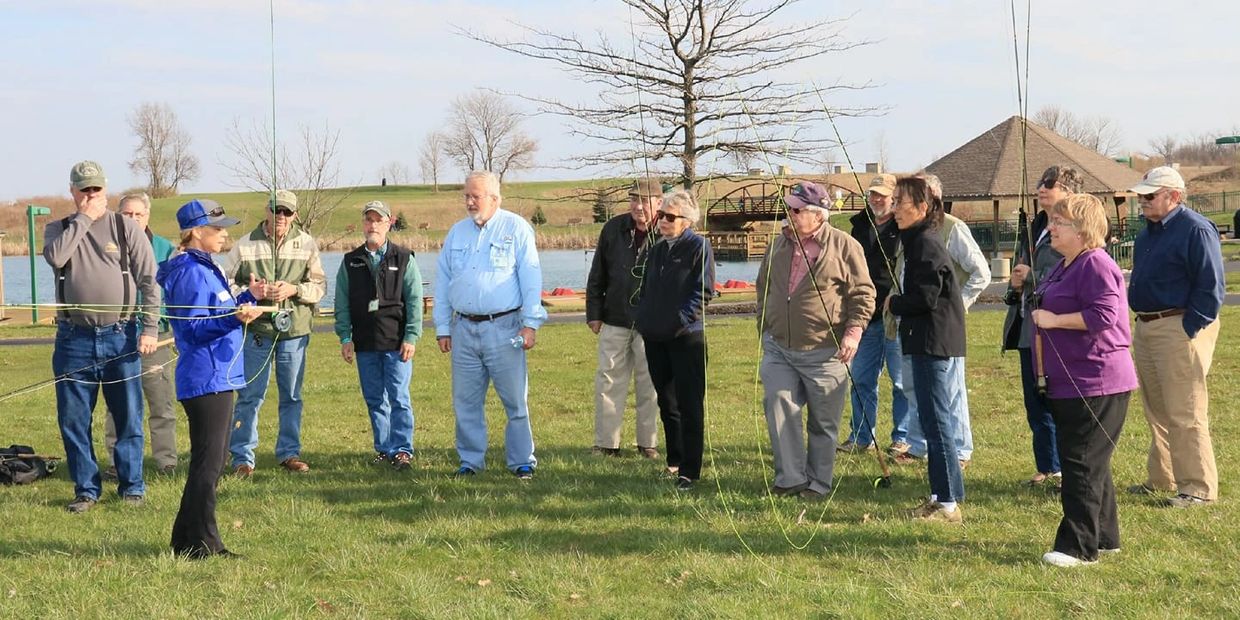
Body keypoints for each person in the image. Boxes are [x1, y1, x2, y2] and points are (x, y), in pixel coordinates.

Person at [43, 161, 160, 513]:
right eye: (84, 189)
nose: (91, 195)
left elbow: (149, 282)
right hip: (72, 339)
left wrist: (150, 329)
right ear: (73, 191)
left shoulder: (126, 228)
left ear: (105, 189)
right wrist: (82, 220)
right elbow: (56, 257)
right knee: (74, 419)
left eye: (96, 189)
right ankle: (86, 490)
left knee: (127, 415)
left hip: (120, 335)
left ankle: (132, 487)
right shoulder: (58, 229)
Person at [1029, 193, 1137, 567]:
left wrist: (1055, 321)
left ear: (1082, 229)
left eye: (1060, 222)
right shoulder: (1066, 264)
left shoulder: (1096, 263)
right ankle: (1105, 538)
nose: (1052, 227)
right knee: (1093, 461)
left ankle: (1077, 547)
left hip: (1096, 380)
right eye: (1053, 220)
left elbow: (1105, 315)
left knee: (1080, 462)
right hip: (1072, 379)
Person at [159, 199, 264, 559]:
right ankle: (204, 543)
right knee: (209, 463)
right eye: (217, 229)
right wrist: (238, 319)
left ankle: (185, 540)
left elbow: (220, 309)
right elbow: (193, 330)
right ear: (196, 232)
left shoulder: (207, 267)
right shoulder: (189, 272)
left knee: (212, 461)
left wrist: (251, 297)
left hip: (219, 374)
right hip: (206, 377)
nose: (224, 234)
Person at [757, 182, 874, 500]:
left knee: (823, 423)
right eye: (789, 209)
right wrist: (765, 330)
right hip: (779, 347)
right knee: (779, 406)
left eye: (796, 210)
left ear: (817, 215)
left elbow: (863, 294)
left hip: (827, 352)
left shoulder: (846, 246)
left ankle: (819, 484)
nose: (789, 215)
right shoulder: (777, 245)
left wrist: (853, 334)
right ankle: (790, 478)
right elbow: (763, 289)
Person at [434, 171, 546, 479]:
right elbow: (443, 282)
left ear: (494, 198)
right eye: (466, 196)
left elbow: (531, 278)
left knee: (515, 400)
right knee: (466, 402)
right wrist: (443, 327)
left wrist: (530, 323)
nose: (469, 202)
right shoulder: (457, 233)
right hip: (463, 330)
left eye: (476, 196)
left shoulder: (517, 229)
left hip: (506, 327)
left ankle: (522, 461)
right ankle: (470, 461)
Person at [1126, 166, 1224, 508]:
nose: (1143, 202)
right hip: (1147, 326)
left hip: (1178, 326)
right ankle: (1162, 477)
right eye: (1141, 196)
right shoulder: (1146, 234)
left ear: (1174, 197)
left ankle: (1197, 488)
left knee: (1186, 409)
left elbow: (1211, 288)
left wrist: (1189, 328)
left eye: (1150, 196)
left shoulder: (1195, 229)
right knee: (1157, 409)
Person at [219, 189, 327, 477]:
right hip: (256, 332)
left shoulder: (307, 244)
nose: (281, 216)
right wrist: (249, 293)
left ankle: (289, 453)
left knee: (291, 395)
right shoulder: (244, 246)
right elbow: (223, 287)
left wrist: (295, 289)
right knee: (250, 396)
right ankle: (242, 457)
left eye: (287, 212)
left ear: (295, 215)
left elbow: (319, 287)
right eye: (276, 210)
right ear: (266, 210)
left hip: (295, 332)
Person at [892, 174, 989, 468]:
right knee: (914, 388)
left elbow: (981, 273)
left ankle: (959, 452)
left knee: (950, 394)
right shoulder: (910, 234)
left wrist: (957, 306)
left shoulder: (949, 230)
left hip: (940, 331)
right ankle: (920, 445)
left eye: (902, 200)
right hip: (913, 327)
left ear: (928, 202)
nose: (895, 207)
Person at [885, 176, 967, 522]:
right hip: (926, 340)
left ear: (922, 208)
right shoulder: (917, 240)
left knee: (937, 422)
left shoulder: (926, 244)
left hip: (934, 342)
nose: (894, 209)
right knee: (934, 420)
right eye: (893, 201)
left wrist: (895, 303)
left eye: (900, 203)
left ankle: (947, 504)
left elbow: (926, 298)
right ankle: (943, 494)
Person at [1002, 166, 1081, 488]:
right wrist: (1016, 285)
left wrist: (1030, 277)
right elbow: (1021, 276)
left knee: (1059, 400)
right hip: (1028, 327)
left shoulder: (1078, 228)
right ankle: (1047, 466)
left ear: (1070, 191)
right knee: (1035, 400)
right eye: (1040, 182)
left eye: (1050, 184)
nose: (1042, 188)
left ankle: (1068, 469)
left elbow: (1068, 274)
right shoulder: (1036, 226)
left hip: (1059, 329)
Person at [634, 190, 715, 491]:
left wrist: (679, 321)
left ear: (687, 220)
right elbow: (645, 289)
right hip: (655, 337)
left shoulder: (699, 247)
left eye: (670, 217)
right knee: (667, 402)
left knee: (689, 403)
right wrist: (643, 319)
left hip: (686, 339)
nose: (663, 221)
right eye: (661, 216)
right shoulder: (657, 250)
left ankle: (690, 471)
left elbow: (703, 291)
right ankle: (675, 460)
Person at [334, 201, 423, 470]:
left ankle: (402, 450)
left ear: (388, 223)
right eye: (368, 220)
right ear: (363, 224)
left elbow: (415, 300)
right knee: (374, 398)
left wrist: (411, 336)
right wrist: (345, 338)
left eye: (378, 220)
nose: (373, 225)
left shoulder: (404, 257)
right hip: (364, 342)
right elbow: (342, 302)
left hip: (396, 342)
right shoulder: (351, 261)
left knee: (398, 397)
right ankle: (384, 448)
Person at [585, 177, 662, 459]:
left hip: (653, 324)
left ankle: (648, 443)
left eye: (644, 200)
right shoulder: (613, 229)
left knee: (650, 384)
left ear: (659, 203)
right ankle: (607, 443)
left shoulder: (666, 230)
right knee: (608, 381)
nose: (638, 206)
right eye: (633, 199)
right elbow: (597, 274)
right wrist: (593, 312)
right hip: (615, 319)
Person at [103, 192, 178, 479]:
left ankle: (166, 461)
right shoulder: (106, 247)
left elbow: (171, 295)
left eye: (138, 214)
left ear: (147, 216)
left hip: (155, 338)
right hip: (117, 337)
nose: (132, 219)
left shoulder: (165, 249)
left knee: (161, 402)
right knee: (117, 404)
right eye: (127, 214)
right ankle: (115, 461)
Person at [841, 173, 908, 456]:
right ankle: (860, 436)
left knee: (901, 382)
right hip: (865, 315)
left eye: (881, 194)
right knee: (861, 378)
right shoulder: (859, 226)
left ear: (894, 196)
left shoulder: (904, 226)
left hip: (894, 314)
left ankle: (902, 437)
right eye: (872, 194)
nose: (876, 199)